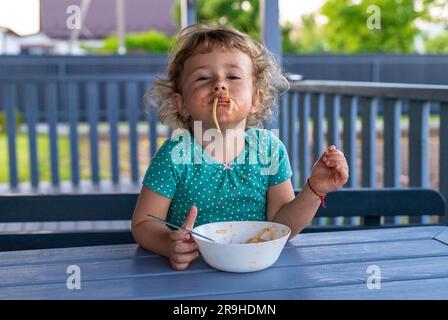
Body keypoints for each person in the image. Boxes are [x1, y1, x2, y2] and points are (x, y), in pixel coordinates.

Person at [131, 24, 349, 270]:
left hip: (257, 270)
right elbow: (142, 224)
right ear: (181, 103)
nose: (219, 85)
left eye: (233, 76)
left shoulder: (269, 149)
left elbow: (282, 227)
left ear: (256, 98)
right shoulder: (175, 153)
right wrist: (168, 244)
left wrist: (313, 189)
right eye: (203, 78)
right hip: (191, 273)